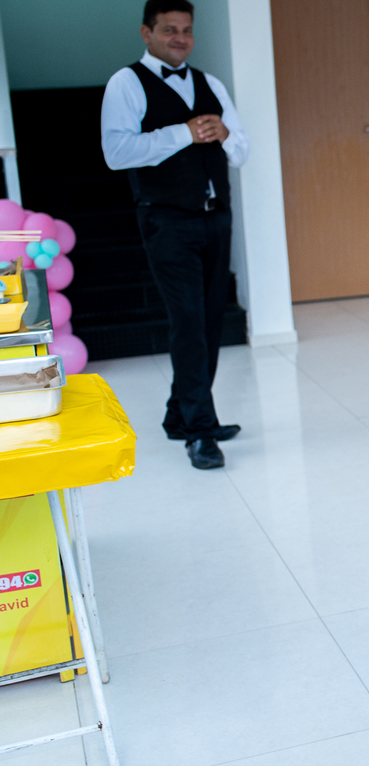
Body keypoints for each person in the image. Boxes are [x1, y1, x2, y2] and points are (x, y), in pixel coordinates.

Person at [100, 0, 248, 469]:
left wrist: (223, 132)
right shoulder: (125, 84)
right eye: (169, 30)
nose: (179, 38)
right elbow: (117, 152)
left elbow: (242, 152)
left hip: (214, 215)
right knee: (188, 323)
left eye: (186, 30)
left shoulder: (211, 83)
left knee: (206, 322)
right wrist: (183, 133)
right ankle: (200, 432)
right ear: (147, 33)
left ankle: (178, 415)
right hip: (167, 221)